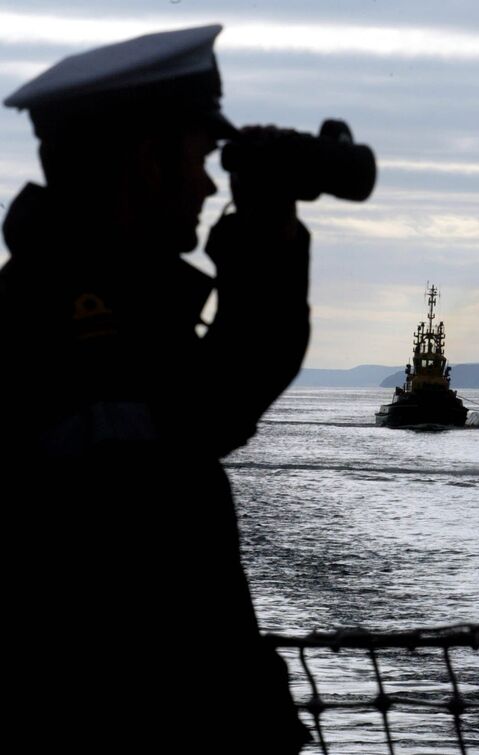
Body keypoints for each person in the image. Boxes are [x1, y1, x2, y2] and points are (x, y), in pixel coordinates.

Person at [1, 26, 311, 752]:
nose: (208, 185)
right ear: (146, 162)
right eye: (198, 159)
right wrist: (265, 230)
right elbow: (208, 410)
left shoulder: (82, 303)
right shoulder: (77, 325)